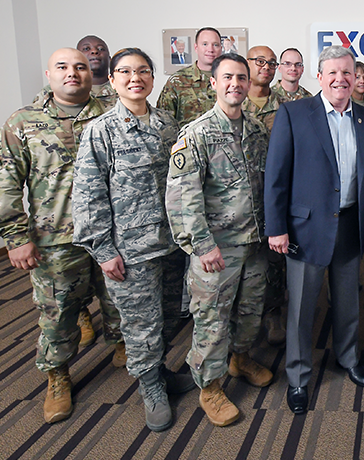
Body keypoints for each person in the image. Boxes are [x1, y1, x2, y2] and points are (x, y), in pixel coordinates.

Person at [72, 48, 196, 432]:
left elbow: (184, 184)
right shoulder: (101, 129)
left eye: (142, 71)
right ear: (111, 80)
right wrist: (103, 251)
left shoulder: (168, 125)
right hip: (130, 253)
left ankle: (159, 370)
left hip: (171, 246)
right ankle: (151, 387)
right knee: (139, 326)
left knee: (168, 317)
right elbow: (87, 196)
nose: (134, 78)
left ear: (153, 79)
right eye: (124, 72)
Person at [0, 48, 124, 424]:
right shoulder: (24, 121)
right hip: (56, 238)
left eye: (80, 67)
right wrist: (14, 236)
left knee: (117, 297)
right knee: (58, 312)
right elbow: (6, 182)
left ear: (92, 73)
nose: (73, 73)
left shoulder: (111, 113)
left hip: (112, 232)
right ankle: (57, 375)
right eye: (63, 67)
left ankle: (121, 344)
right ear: (49, 74)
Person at [266, 45, 364, 415]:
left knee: (348, 300)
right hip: (304, 228)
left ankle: (348, 358)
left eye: (346, 72)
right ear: (319, 77)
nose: (340, 79)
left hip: (349, 223)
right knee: (301, 308)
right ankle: (298, 376)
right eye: (332, 73)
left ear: (355, 76)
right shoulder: (294, 113)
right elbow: (276, 177)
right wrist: (277, 227)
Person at [165, 53, 273, 427]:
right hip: (216, 248)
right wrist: (201, 244)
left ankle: (240, 359)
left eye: (241, 78)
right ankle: (209, 386)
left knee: (249, 311)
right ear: (212, 82)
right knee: (211, 320)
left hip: (254, 242)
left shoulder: (257, 130)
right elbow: (182, 196)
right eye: (227, 77)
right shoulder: (196, 133)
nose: (235, 84)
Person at [242, 45, 286, 345]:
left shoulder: (287, 105)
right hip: (236, 200)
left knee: (274, 263)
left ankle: (273, 315)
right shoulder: (229, 100)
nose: (267, 67)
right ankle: (241, 328)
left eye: (272, 63)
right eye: (260, 61)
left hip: (274, 198)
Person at [33, 36, 117, 116]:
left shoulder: (122, 88)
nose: (94, 51)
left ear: (110, 59)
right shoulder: (50, 91)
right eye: (86, 49)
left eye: (101, 49)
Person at [158, 27, 223, 127]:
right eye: (205, 44)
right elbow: (163, 121)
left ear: (221, 48)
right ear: (196, 47)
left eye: (215, 45)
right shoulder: (177, 81)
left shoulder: (231, 80)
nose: (210, 49)